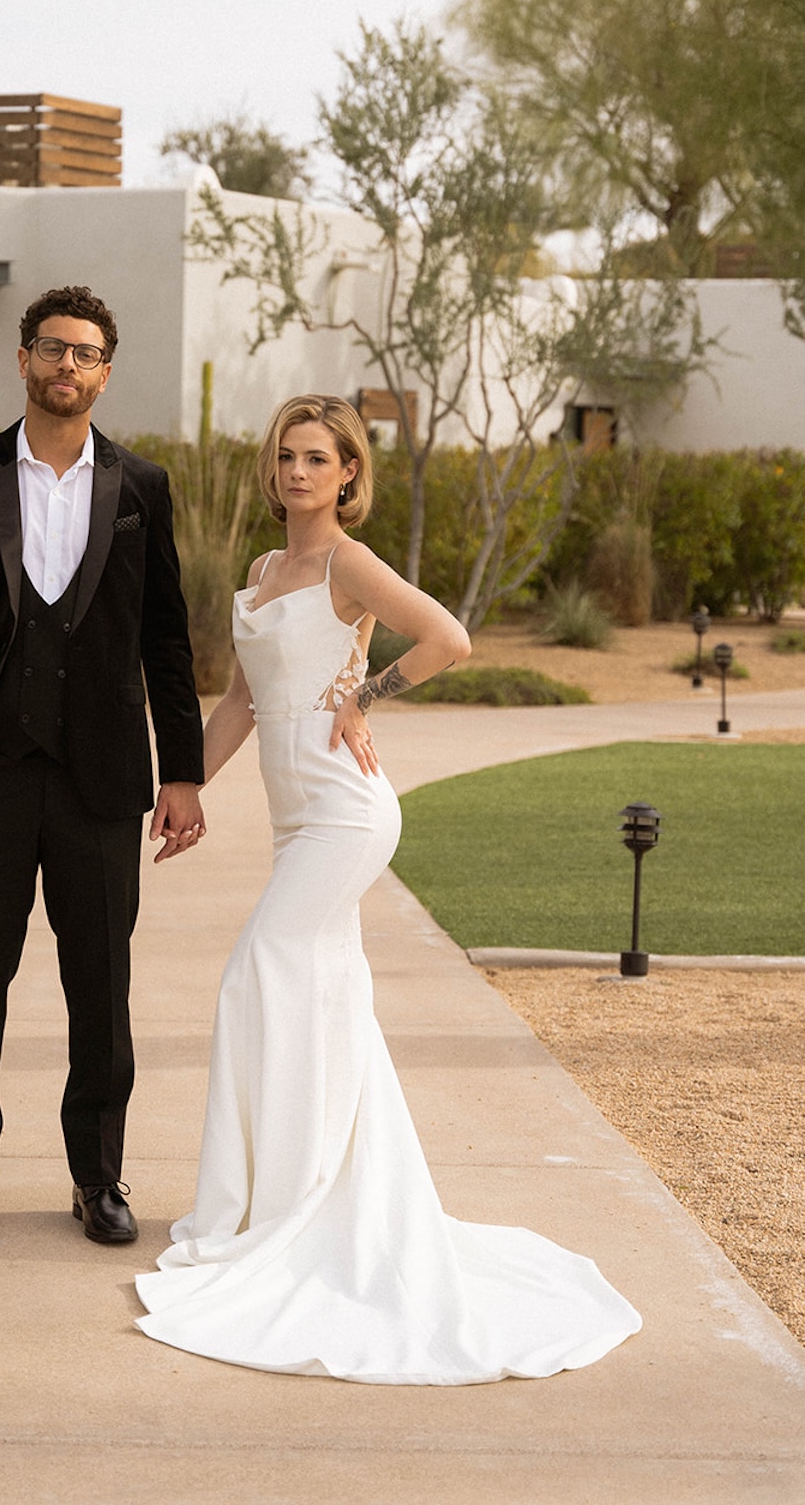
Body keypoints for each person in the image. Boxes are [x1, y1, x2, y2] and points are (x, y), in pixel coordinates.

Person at [135, 393, 642, 1381]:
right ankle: (303, 1196)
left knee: (256, 973)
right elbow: (242, 700)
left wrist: (365, 696)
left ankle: (275, 1208)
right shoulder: (260, 571)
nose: (295, 472)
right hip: (293, 826)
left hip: (346, 813)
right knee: (321, 1002)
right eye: (285, 456)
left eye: (316, 458)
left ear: (347, 476)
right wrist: (185, 787)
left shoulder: (345, 565)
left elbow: (448, 638)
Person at [0, 284, 206, 1248]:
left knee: (101, 986)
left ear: (106, 371)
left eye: (84, 354)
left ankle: (99, 1180)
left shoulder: (144, 487)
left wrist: (183, 773)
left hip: (101, 776)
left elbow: (167, 638)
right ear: (24, 360)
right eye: (52, 349)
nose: (66, 367)